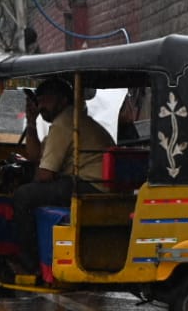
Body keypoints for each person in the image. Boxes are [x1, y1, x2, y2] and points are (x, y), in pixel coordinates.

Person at [10, 77, 116, 275]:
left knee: (23, 196)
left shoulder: (64, 123)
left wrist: (30, 183)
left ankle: (28, 264)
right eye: (38, 101)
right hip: (96, 183)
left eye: (45, 100)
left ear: (63, 100)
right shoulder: (69, 120)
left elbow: (45, 174)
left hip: (89, 185)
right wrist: (31, 122)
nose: (41, 106)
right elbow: (35, 156)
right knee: (31, 191)